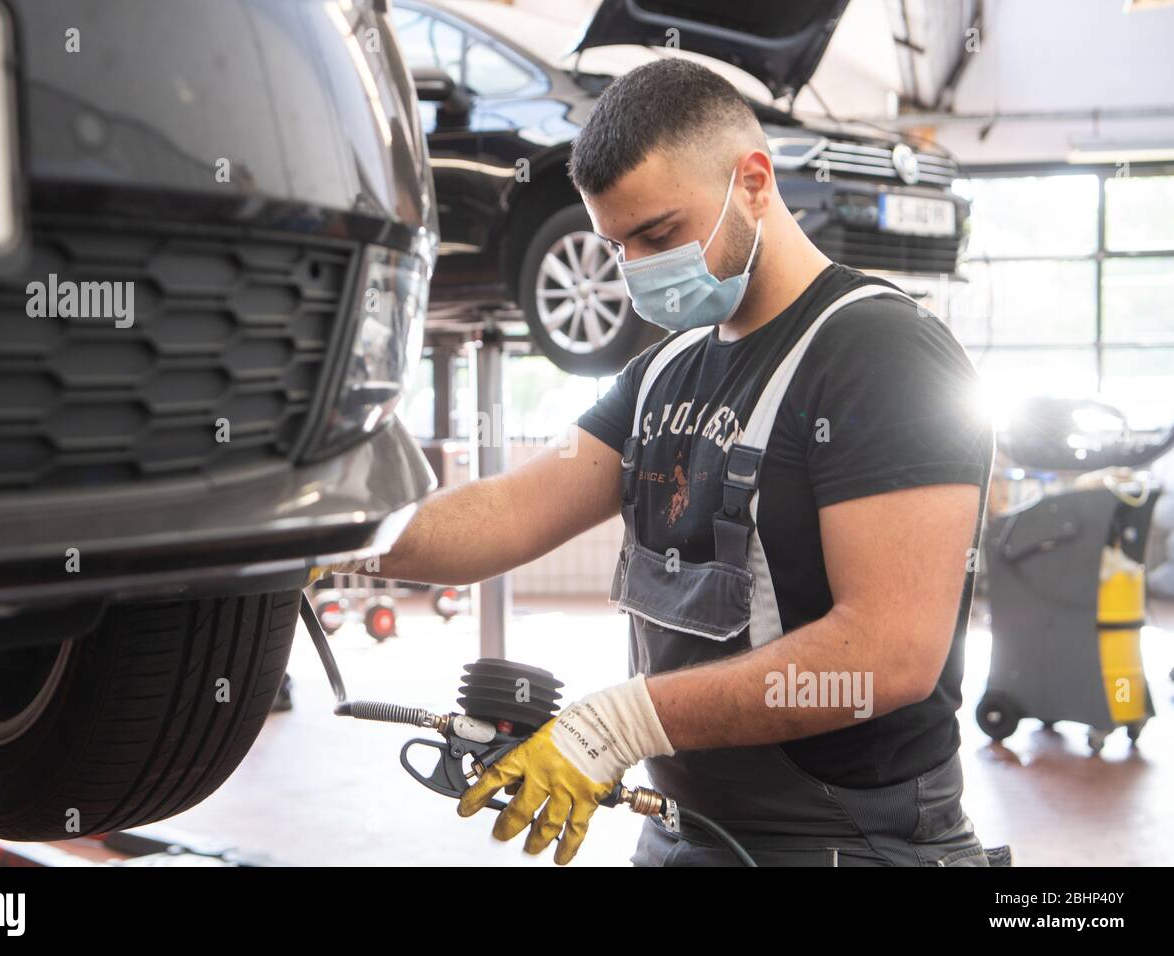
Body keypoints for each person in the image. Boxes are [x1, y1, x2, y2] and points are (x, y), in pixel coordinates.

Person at [320, 58, 995, 866]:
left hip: (850, 845)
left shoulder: (882, 354)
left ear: (752, 182)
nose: (636, 267)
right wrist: (333, 544)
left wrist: (620, 725)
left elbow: (887, 653)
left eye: (660, 234)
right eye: (616, 245)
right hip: (683, 829)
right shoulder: (660, 375)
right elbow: (509, 512)